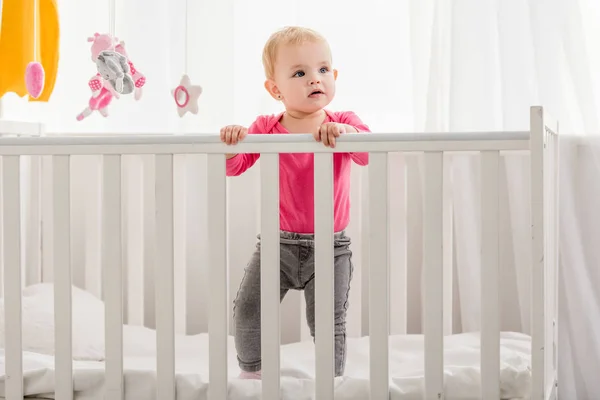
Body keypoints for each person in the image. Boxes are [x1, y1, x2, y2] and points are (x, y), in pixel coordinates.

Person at [219, 26, 370, 380]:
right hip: (277, 244)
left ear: (333, 76)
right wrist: (231, 143)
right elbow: (234, 167)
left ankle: (329, 379)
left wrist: (346, 137)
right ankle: (252, 373)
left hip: (330, 247)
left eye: (322, 70)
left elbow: (365, 152)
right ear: (275, 89)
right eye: (299, 73)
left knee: (329, 320)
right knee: (248, 308)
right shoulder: (266, 128)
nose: (313, 80)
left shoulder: (343, 122)